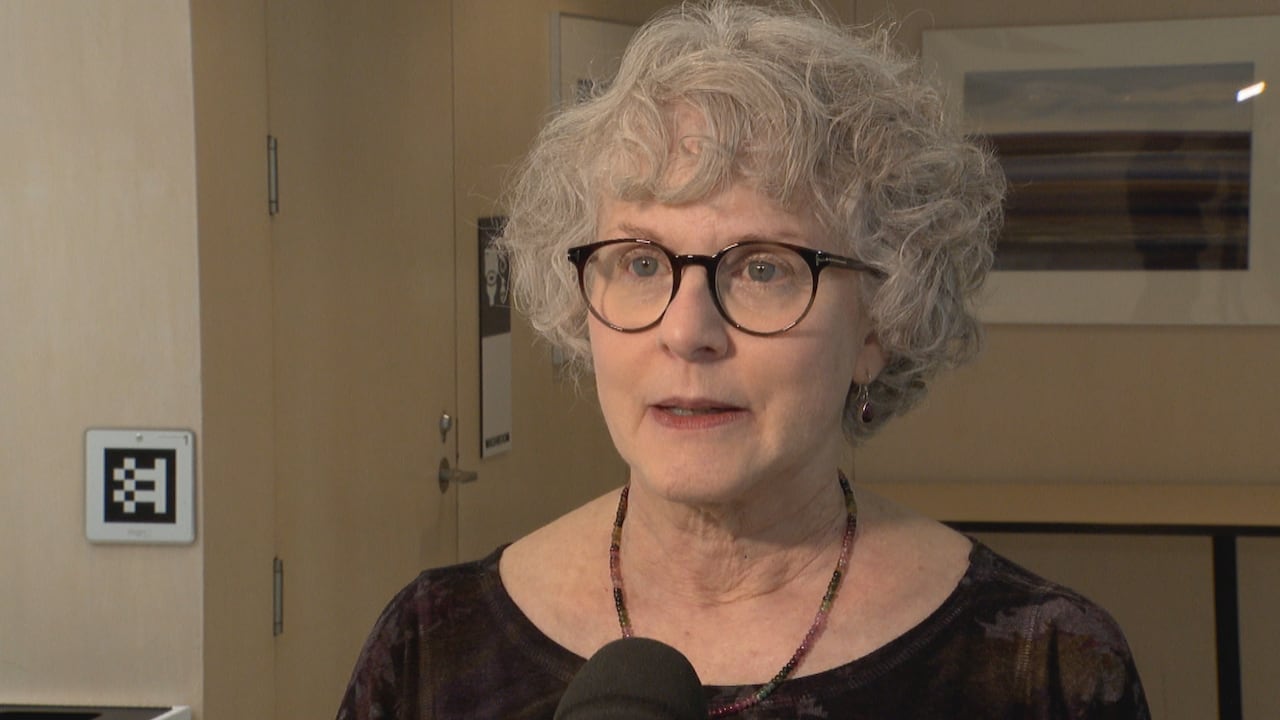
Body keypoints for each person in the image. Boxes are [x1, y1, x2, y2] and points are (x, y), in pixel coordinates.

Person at [337, 2, 1150, 717]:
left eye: (762, 268)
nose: (689, 331)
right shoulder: (431, 651)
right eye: (642, 262)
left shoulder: (1039, 666)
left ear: (879, 322)